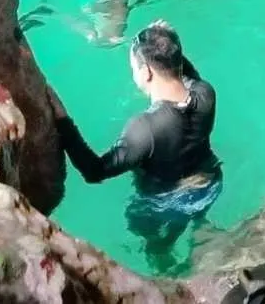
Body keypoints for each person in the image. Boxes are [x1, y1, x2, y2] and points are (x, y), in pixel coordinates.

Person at [51, 21, 223, 269]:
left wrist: (63, 120)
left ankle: (168, 269)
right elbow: (185, 72)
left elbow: (95, 171)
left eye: (134, 68)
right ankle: (201, 232)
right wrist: (165, 42)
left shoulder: (146, 128)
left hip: (166, 203)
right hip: (209, 184)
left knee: (145, 232)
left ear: (146, 73)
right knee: (193, 216)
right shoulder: (206, 93)